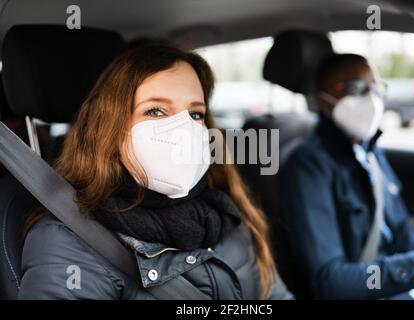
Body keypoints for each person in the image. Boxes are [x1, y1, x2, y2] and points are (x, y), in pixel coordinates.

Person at [19, 43, 293, 300]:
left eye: (195, 114)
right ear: (110, 128)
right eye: (157, 111)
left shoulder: (224, 212)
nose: (184, 129)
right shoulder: (68, 243)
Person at [279, 53, 414, 299]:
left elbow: (403, 233)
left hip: (401, 284)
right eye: (356, 88)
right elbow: (331, 282)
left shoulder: (370, 151)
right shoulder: (308, 167)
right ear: (323, 100)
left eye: (376, 88)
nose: (370, 98)